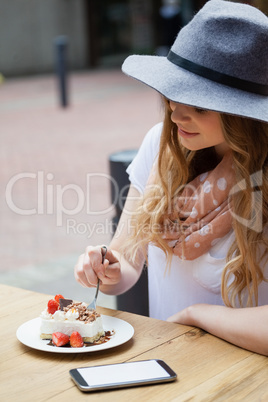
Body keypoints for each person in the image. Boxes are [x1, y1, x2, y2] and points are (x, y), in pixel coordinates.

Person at [75, 0, 268, 355]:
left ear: (243, 113)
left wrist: (199, 316)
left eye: (198, 104)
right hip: (168, 368)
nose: (176, 114)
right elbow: (127, 259)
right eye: (172, 95)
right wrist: (108, 268)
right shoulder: (161, 146)